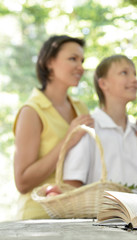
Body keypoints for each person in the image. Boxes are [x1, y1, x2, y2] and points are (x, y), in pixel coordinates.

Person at [13, 35, 94, 219]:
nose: (80, 67)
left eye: (82, 60)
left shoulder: (80, 107)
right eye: (72, 59)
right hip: (37, 220)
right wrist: (68, 140)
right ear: (50, 62)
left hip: (75, 218)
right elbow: (22, 182)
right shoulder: (32, 111)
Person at [62, 55, 137, 195]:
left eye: (134, 74)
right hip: (102, 216)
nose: (135, 80)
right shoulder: (87, 129)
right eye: (124, 73)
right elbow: (71, 184)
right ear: (103, 84)